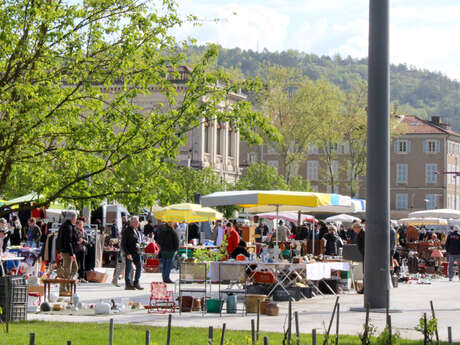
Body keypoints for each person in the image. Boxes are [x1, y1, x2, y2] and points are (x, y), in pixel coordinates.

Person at [56, 211, 79, 295]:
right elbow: (68, 241)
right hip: (67, 252)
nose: (76, 219)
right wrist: (71, 253)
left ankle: (67, 286)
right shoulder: (67, 227)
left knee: (74, 268)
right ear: (72, 218)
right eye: (75, 218)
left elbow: (58, 239)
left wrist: (59, 251)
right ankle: (63, 289)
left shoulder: (65, 226)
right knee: (67, 271)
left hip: (66, 251)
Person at [121, 216, 144, 290]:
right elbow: (123, 244)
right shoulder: (127, 231)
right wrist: (127, 253)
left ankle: (136, 282)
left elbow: (137, 241)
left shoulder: (136, 230)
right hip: (130, 253)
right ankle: (127, 284)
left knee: (139, 267)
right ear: (131, 222)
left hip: (137, 252)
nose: (138, 223)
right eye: (136, 222)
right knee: (128, 269)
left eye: (138, 222)